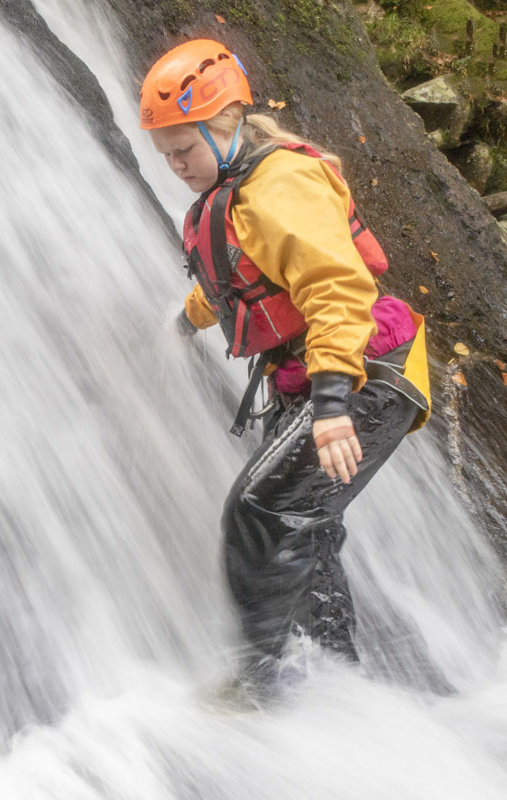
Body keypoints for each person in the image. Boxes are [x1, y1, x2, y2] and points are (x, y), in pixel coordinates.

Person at [140, 39, 431, 676]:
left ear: (225, 125)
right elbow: (235, 279)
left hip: (364, 369)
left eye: (185, 150)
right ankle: (333, 679)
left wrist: (331, 407)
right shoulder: (237, 192)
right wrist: (180, 326)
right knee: (307, 528)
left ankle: (260, 678)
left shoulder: (282, 184)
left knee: (261, 512)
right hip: (316, 377)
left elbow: (336, 289)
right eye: (166, 157)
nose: (177, 167)